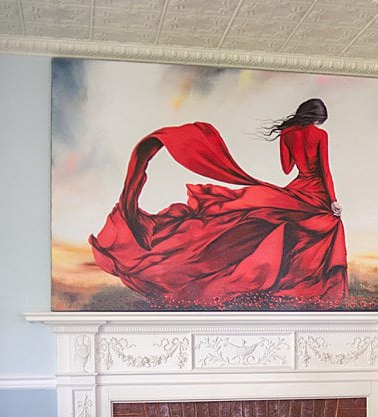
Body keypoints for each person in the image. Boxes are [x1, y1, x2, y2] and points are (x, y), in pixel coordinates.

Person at [89, 98, 347, 309]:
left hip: (297, 188)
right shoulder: (320, 135)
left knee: (273, 224)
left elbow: (287, 167)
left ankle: (286, 282)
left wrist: (290, 140)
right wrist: (333, 201)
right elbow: (325, 171)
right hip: (315, 191)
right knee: (326, 227)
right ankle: (306, 286)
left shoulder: (288, 135)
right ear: (318, 118)